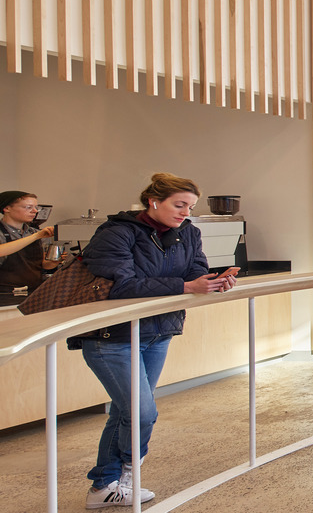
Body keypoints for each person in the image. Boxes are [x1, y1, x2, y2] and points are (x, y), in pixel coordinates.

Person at [73, 173, 237, 509]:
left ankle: (103, 487)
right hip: (111, 337)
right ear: (153, 201)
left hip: (158, 332)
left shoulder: (187, 232)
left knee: (125, 411)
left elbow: (195, 268)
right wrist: (186, 286)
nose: (184, 213)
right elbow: (119, 286)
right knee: (142, 413)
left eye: (189, 207)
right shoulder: (116, 234)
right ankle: (129, 476)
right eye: (179, 205)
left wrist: (210, 281)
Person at [0, 190, 55, 293]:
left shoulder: (34, 232)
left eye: (36, 207)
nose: (35, 211)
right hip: (5, 294)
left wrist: (53, 262)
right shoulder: (36, 235)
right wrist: (36, 236)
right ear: (7, 208)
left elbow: (43, 265)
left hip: (33, 292)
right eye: (28, 207)